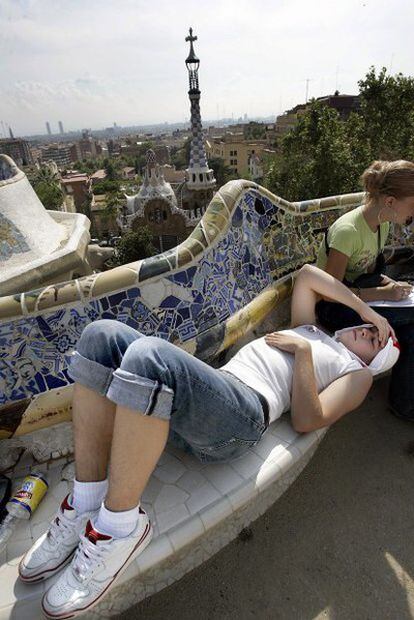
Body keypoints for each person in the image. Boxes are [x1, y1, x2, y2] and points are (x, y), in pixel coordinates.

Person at [18, 265, 399, 619]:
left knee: (150, 357)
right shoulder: (310, 328)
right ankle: (86, 501)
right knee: (100, 336)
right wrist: (368, 310)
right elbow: (306, 277)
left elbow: (308, 420)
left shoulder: (356, 373)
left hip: (244, 416)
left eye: (375, 344)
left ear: (373, 363)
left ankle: (120, 527)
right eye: (370, 329)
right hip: (213, 399)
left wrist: (302, 355)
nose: (368, 333)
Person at [316, 159, 414, 420]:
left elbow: (366, 274)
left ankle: (404, 403)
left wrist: (390, 285)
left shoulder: (381, 224)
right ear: (390, 202)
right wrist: (384, 295)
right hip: (332, 308)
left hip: (356, 298)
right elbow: (329, 292)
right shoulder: (348, 231)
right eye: (412, 206)